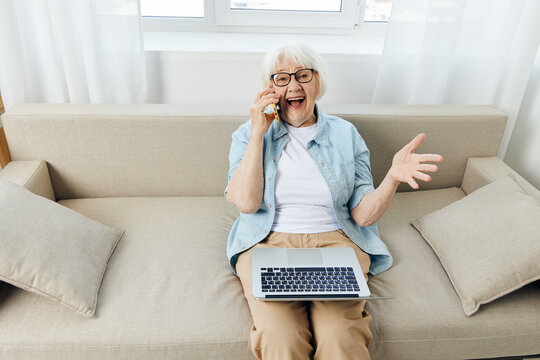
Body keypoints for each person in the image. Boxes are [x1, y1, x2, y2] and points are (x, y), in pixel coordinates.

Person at [225, 41, 443, 360]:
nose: (294, 85)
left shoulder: (346, 134)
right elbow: (246, 203)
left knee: (340, 336)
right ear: (269, 88)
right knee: (280, 337)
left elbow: (364, 216)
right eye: (281, 78)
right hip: (267, 244)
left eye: (303, 75)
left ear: (318, 81)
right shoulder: (247, 134)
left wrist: (392, 178)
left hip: (335, 243)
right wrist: (259, 132)